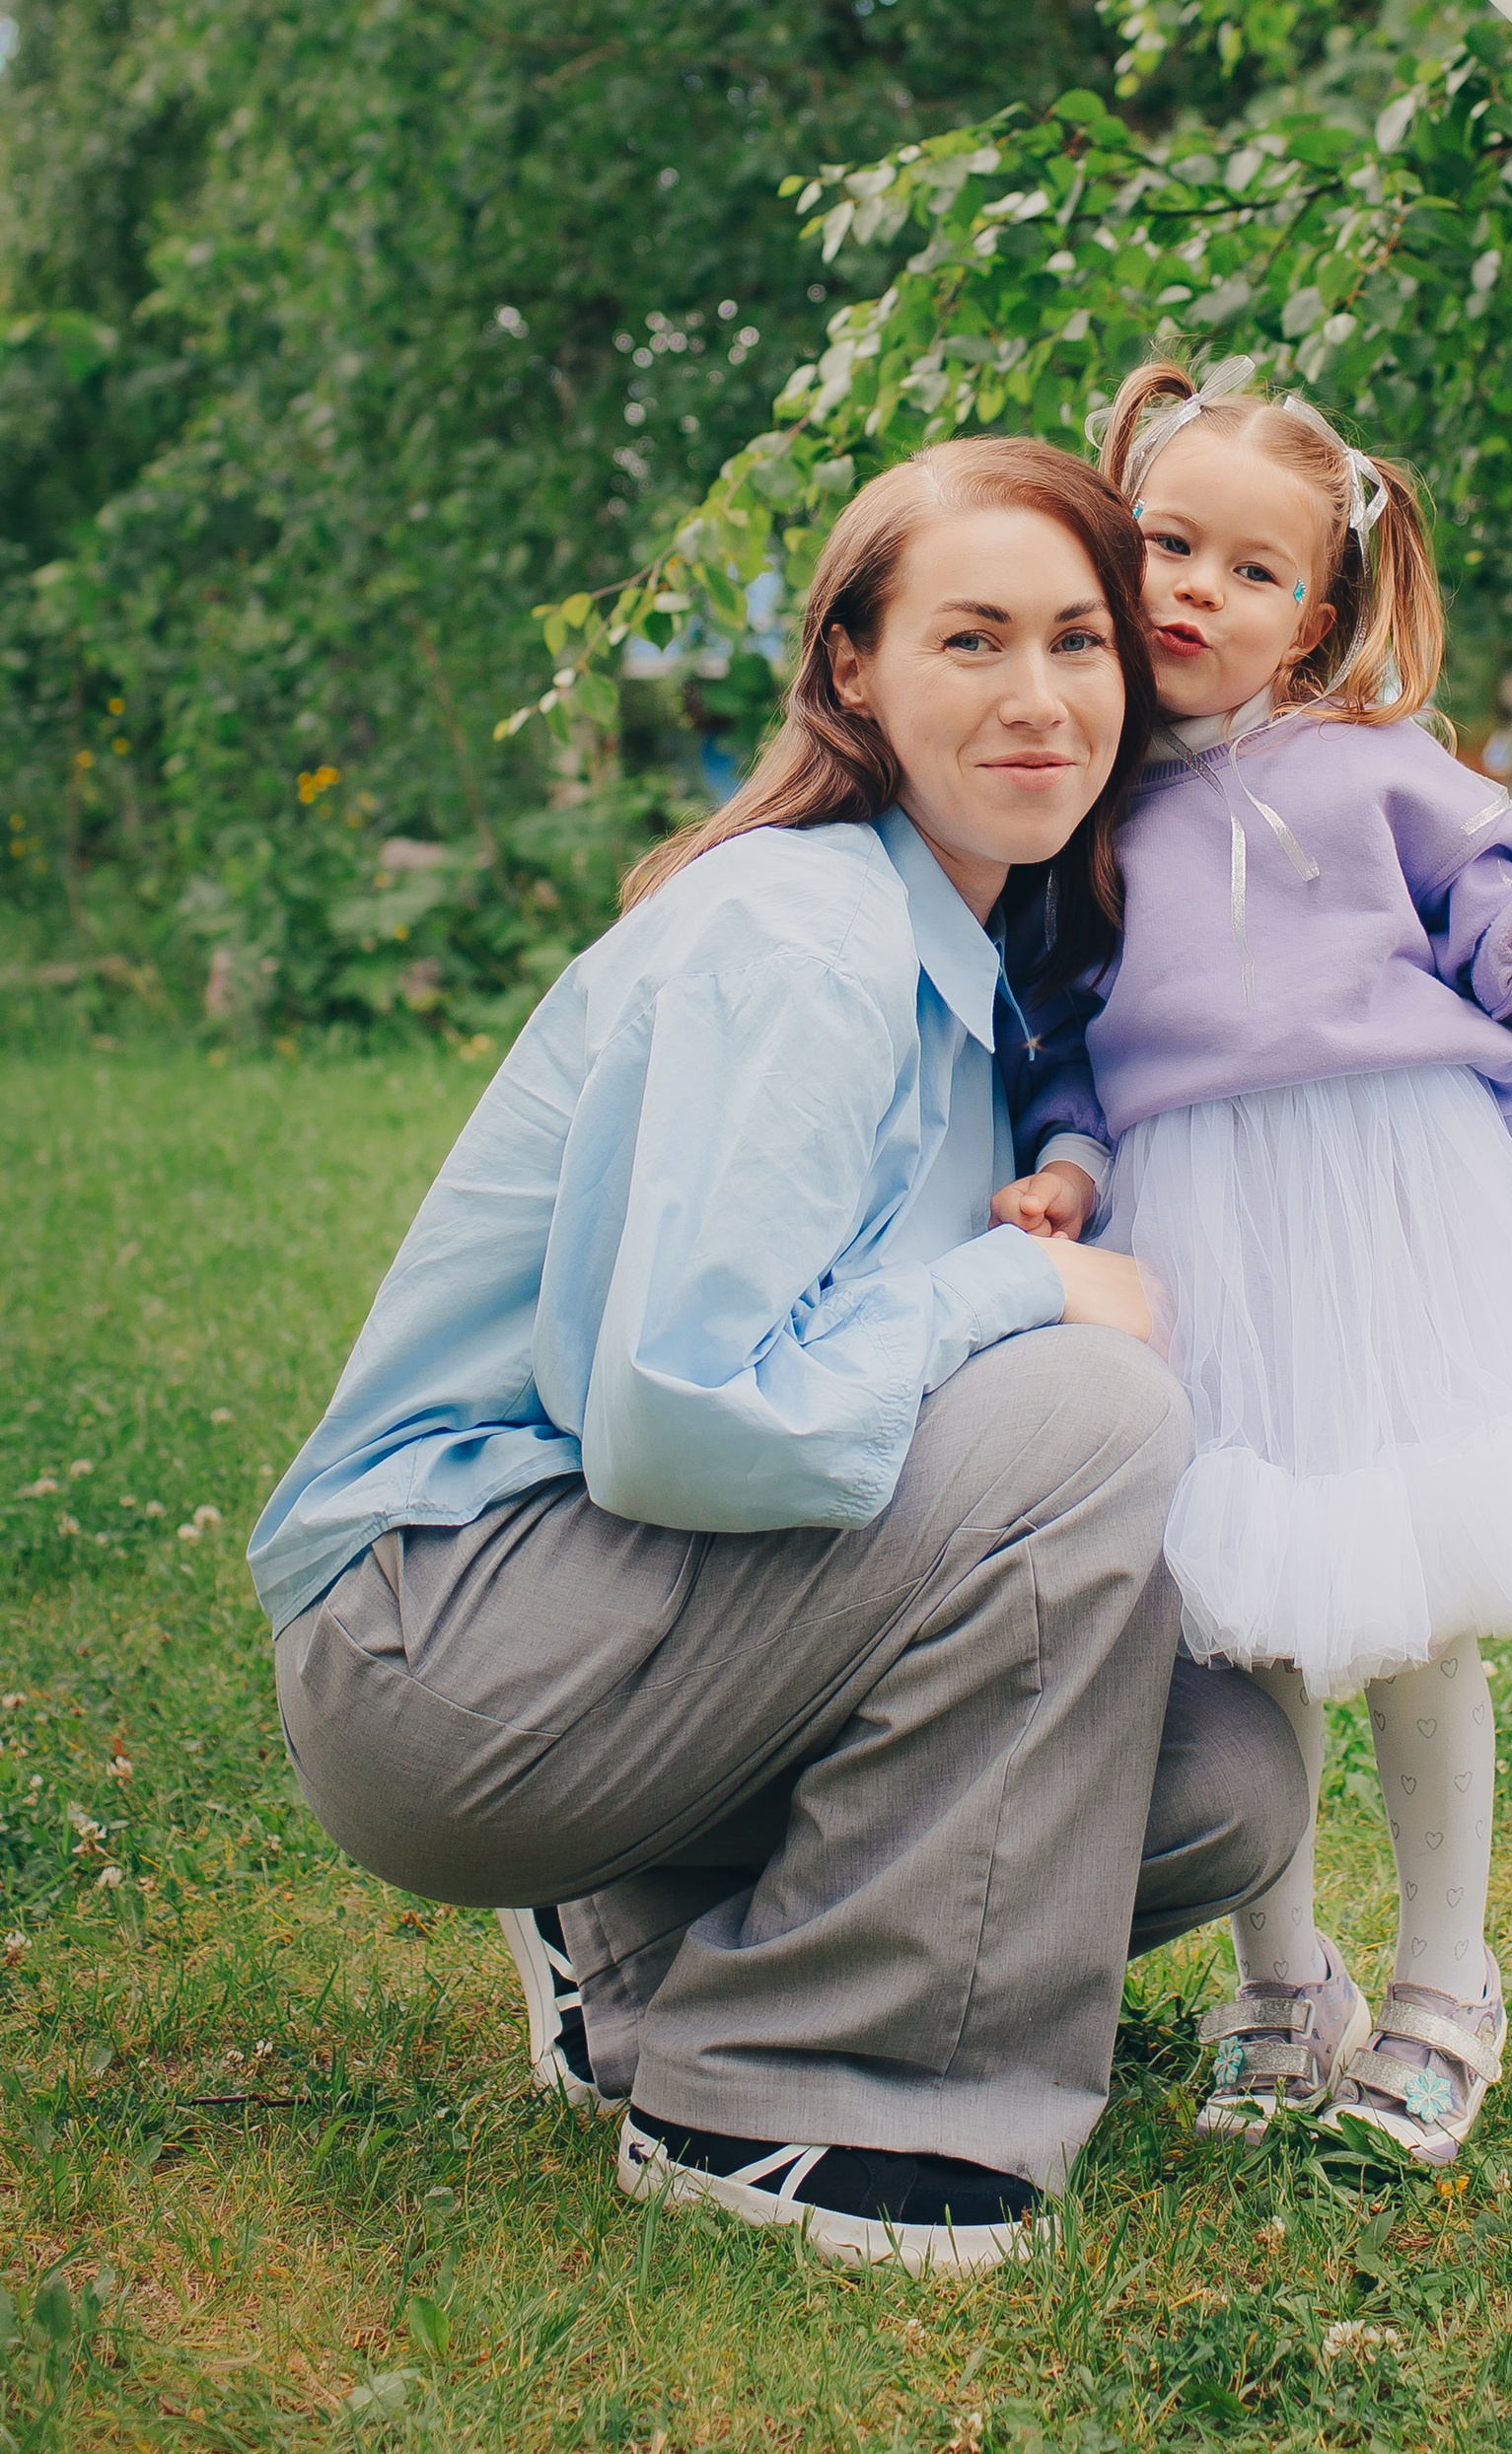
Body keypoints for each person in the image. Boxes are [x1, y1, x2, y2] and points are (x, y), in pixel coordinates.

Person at [250, 439, 1312, 2274]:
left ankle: (643, 1949)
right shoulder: (801, 938)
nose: (1042, 699)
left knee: (1213, 1775)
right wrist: (1025, 1293)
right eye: (970, 641)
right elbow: (678, 1418)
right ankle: (792, 2106)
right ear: (850, 671)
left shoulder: (978, 963)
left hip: (641, 1627)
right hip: (448, 1648)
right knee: (1085, 1401)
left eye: (1081, 641)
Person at [994, 362, 1512, 2166]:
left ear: (1317, 619)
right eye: (1167, 545)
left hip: (1389, 1204)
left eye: (1251, 572)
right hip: (1199, 1226)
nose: (1195, 589)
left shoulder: (1378, 769)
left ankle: (1450, 1982)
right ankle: (1284, 1982)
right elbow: (1057, 1036)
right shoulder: (1082, 800)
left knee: (1414, 1594)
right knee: (1240, 1596)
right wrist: (1061, 1163)